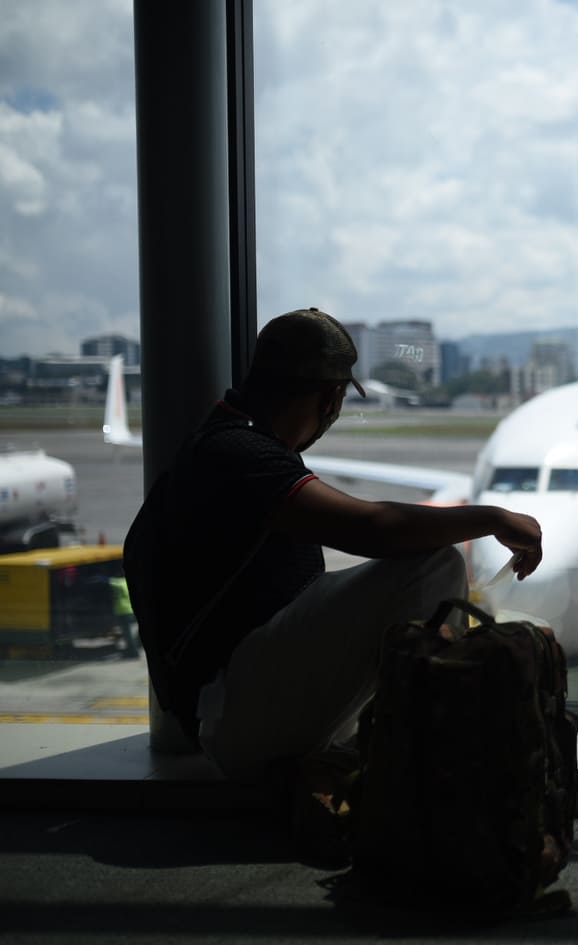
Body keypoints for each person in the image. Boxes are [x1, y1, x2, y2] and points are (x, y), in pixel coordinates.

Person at [124, 307, 542, 784]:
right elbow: (374, 529)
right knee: (434, 568)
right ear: (329, 399)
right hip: (235, 720)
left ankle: (402, 749)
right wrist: (490, 518)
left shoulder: (216, 446)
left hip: (224, 709)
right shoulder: (239, 454)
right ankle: (434, 758)